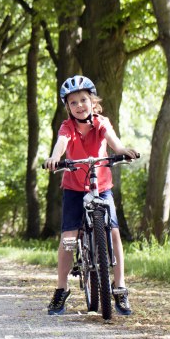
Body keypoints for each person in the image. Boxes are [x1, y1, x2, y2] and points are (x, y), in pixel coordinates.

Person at [42, 75, 138, 316]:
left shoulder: (101, 122)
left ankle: (120, 287)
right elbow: (61, 143)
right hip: (74, 187)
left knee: (114, 233)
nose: (79, 105)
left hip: (101, 185)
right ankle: (61, 290)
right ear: (68, 107)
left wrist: (121, 150)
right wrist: (55, 158)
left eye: (83, 100)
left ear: (93, 102)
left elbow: (112, 140)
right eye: (73, 102)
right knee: (68, 238)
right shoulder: (68, 127)